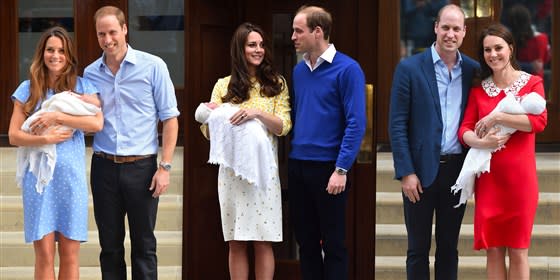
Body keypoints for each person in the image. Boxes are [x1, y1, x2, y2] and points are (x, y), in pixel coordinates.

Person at [83, 6, 180, 279]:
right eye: (101, 34)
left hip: (143, 168)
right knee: (110, 247)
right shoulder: (90, 73)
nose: (107, 39)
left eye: (113, 32)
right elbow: (85, 116)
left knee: (144, 247)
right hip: (103, 168)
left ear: (125, 29)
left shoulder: (153, 67)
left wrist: (165, 167)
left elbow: (170, 119)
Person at [388, 4, 479, 279]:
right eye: (445, 28)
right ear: (435, 28)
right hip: (419, 173)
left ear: (464, 32)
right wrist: (406, 172)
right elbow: (397, 125)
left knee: (449, 248)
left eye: (456, 29)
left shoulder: (473, 71)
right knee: (417, 249)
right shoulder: (409, 68)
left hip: (456, 172)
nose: (450, 34)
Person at [8, 26, 103, 280]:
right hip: (39, 182)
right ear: (42, 53)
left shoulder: (82, 86)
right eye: (50, 50)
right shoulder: (27, 89)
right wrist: (44, 139)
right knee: (44, 257)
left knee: (71, 256)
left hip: (71, 180)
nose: (56, 55)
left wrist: (58, 116)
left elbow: (96, 123)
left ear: (69, 55)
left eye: (61, 51)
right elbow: (14, 135)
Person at [199, 22, 291, 280]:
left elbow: (284, 126)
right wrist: (214, 116)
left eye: (261, 45)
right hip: (232, 174)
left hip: (264, 175)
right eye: (252, 45)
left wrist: (257, 114)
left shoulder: (276, 84)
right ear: (240, 49)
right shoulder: (222, 86)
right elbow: (207, 131)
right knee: (236, 242)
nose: (259, 50)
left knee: (263, 240)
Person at [459, 23, 547, 279]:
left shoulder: (533, 83)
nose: (493, 54)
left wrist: (498, 115)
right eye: (487, 50)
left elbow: (539, 122)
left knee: (519, 251)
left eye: (498, 48)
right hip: (489, 182)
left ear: (510, 48)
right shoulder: (478, 90)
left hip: (520, 182)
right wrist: (481, 142)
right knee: (493, 250)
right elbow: (464, 130)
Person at [289, 5, 366, 280]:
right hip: (298, 166)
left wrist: (341, 169)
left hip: (329, 169)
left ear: (317, 32)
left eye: (299, 30)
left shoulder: (348, 69)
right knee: (306, 245)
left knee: (334, 245)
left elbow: (356, 123)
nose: (293, 36)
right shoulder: (299, 71)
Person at [504, 4, 551, 78]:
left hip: (516, 80)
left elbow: (506, 64)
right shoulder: (543, 38)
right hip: (537, 81)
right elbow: (546, 59)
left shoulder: (510, 40)